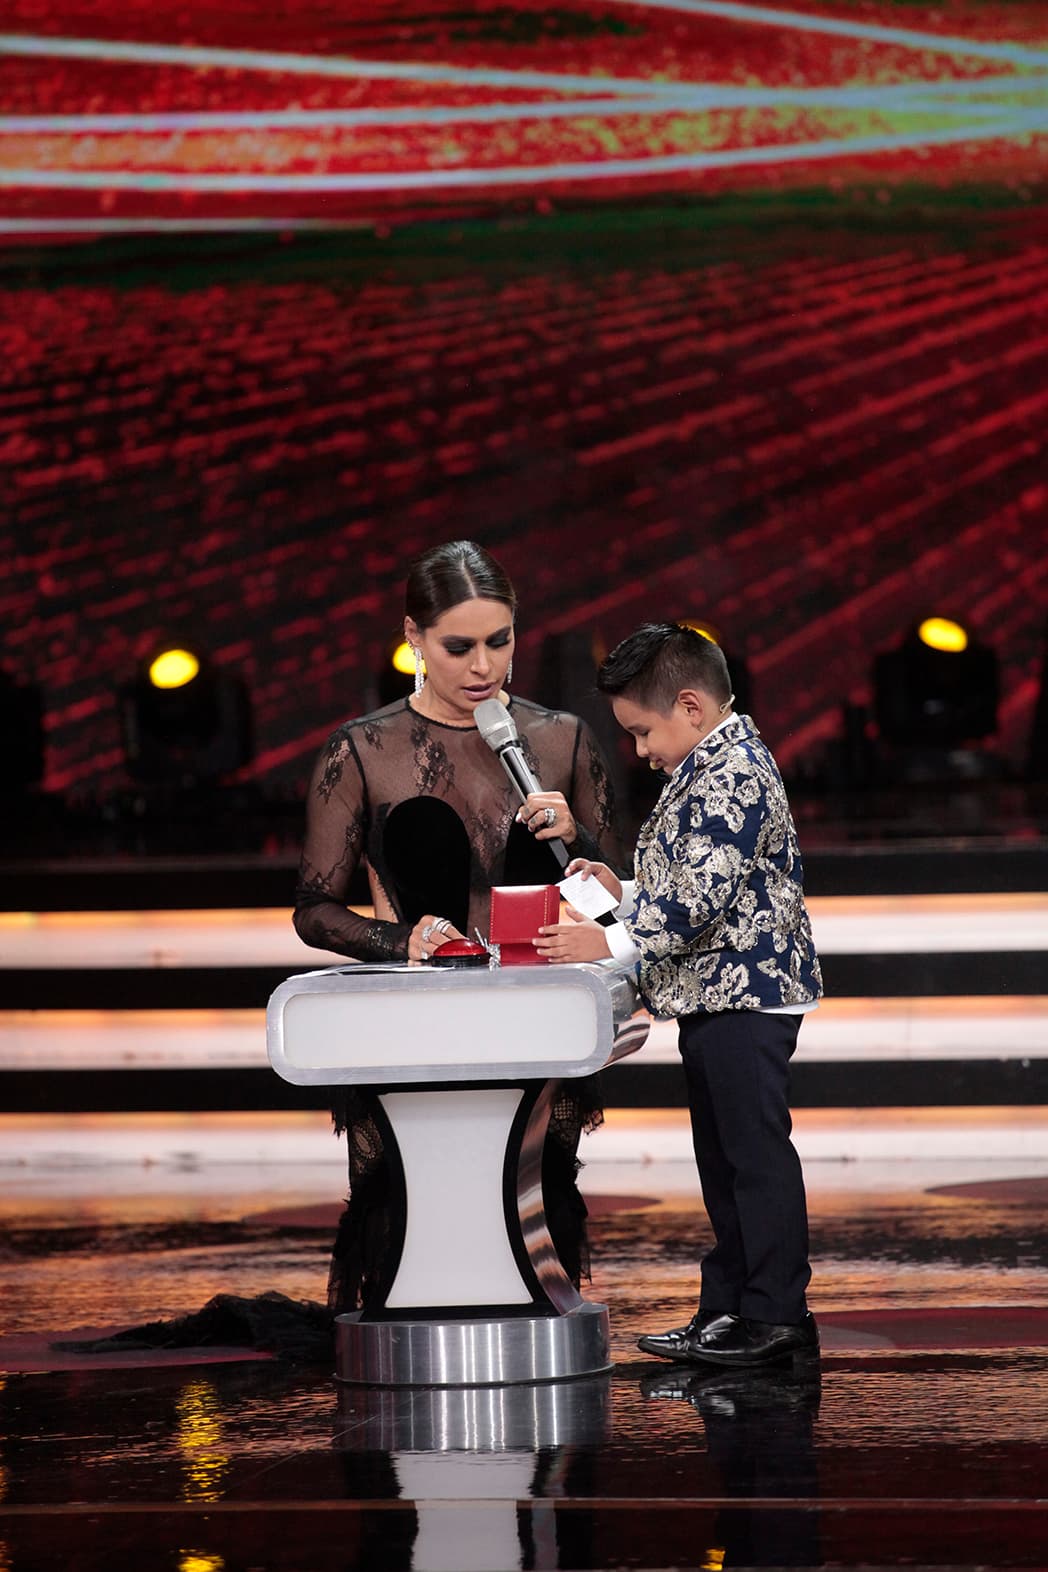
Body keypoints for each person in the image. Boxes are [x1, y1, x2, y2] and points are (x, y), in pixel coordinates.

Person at [293, 540, 620, 1314]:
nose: (484, 666)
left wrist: (579, 845)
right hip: (414, 1024)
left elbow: (619, 898)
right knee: (402, 1209)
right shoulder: (364, 751)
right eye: (459, 646)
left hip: (536, 1017)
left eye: (499, 642)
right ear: (413, 639)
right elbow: (314, 908)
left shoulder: (562, 740)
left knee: (537, 1198)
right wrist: (396, 940)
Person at [534, 621, 823, 1368]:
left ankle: (775, 1315)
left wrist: (611, 940)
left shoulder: (731, 772)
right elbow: (686, 887)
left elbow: (701, 898)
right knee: (726, 1164)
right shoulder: (708, 766)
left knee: (752, 1160)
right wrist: (620, 888)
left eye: (641, 732)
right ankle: (731, 1309)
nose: (640, 751)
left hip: (745, 995)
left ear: (691, 707)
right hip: (714, 993)